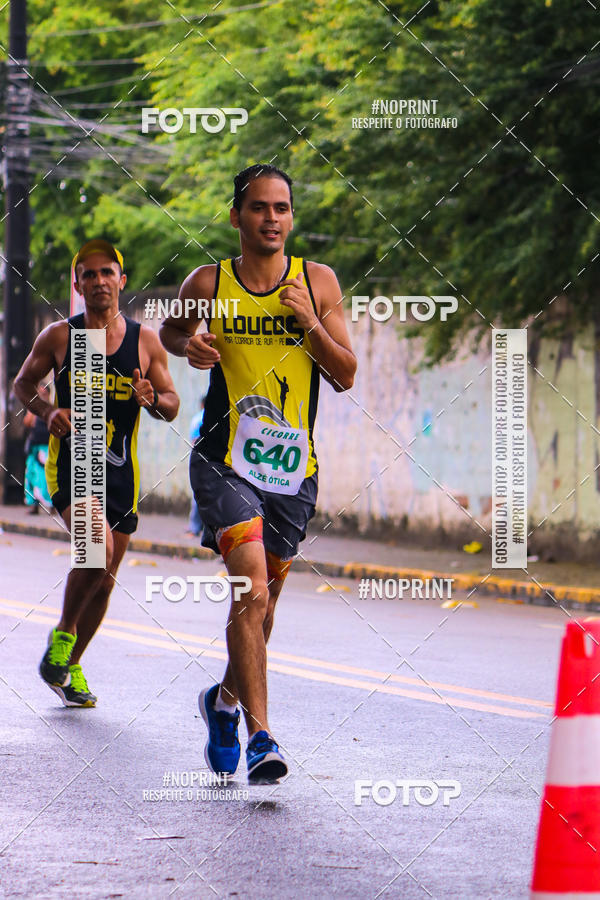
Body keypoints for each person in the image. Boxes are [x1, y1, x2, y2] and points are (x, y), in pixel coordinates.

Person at [160, 164, 356, 783]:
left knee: (262, 609)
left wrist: (311, 324)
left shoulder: (317, 282)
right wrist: (187, 342)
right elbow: (170, 331)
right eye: (260, 208)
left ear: (291, 217)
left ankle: (222, 702)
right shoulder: (209, 280)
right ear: (236, 216)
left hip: (294, 471)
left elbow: (346, 372)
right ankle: (262, 738)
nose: (272, 218)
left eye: (283, 208)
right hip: (222, 460)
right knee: (251, 588)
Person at [14, 239, 180, 707]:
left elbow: (171, 403)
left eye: (108, 272)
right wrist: (47, 412)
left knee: (105, 578)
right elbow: (23, 383)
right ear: (78, 284)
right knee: (97, 548)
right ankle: (63, 633)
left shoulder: (143, 341)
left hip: (121, 473)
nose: (99, 281)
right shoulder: (61, 337)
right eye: (89, 274)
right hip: (74, 464)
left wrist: (155, 399)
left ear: (121, 281)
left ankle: (68, 668)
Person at [23, 383, 52, 514]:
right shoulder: (34, 408)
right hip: (34, 446)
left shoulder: (52, 408)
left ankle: (49, 504)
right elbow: (28, 422)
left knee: (44, 477)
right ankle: (33, 504)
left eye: (43, 393)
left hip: (45, 447)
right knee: (31, 475)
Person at [185, 396, 206, 537]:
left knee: (198, 494)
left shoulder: (198, 418)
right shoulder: (218, 415)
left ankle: (194, 528)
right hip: (218, 460)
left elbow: (193, 440)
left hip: (200, 459)